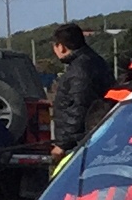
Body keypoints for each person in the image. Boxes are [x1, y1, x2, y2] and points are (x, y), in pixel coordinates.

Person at [48, 20, 114, 155]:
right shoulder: (94, 61)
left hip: (81, 144)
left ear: (61, 47)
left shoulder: (80, 69)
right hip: (95, 137)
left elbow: (79, 107)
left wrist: (63, 145)